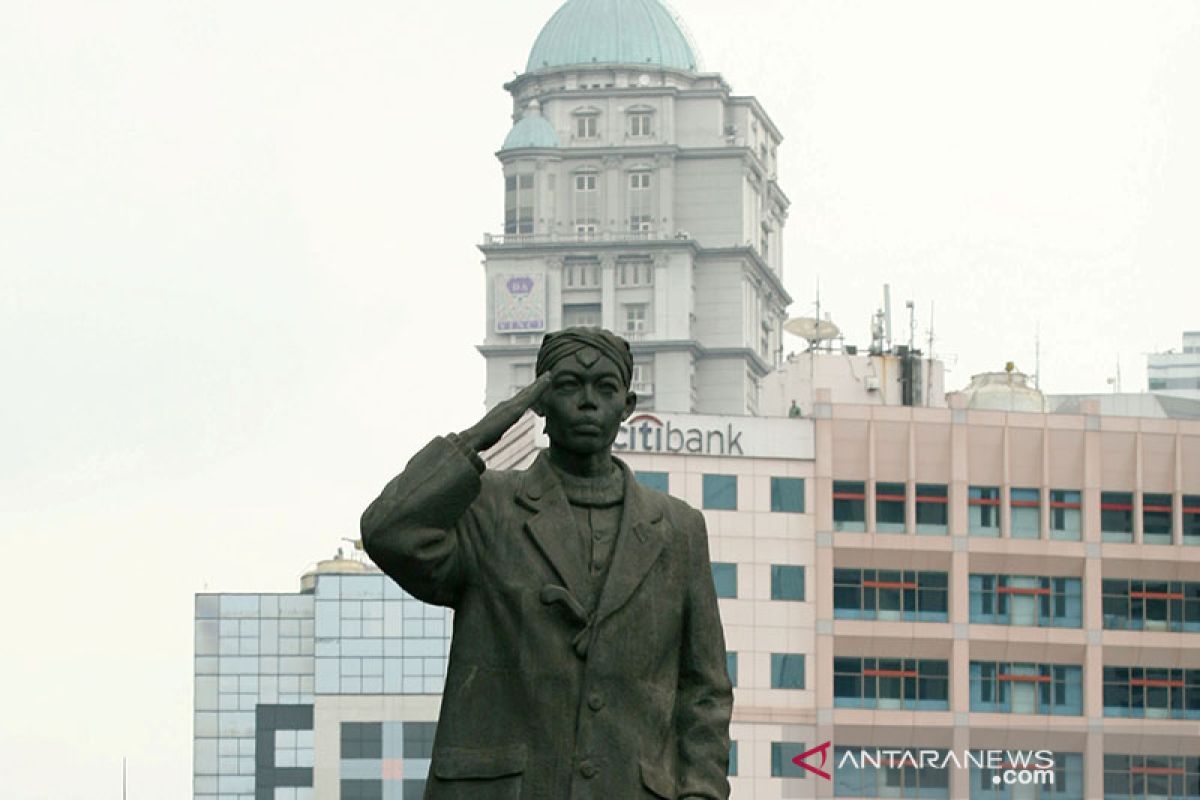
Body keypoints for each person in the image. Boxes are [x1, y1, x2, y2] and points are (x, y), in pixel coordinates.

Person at [361, 327, 732, 799]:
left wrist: (700, 793)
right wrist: (476, 438)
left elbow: (705, 689)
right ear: (538, 401)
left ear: (628, 406)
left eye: (605, 388)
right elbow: (388, 531)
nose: (587, 402)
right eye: (568, 386)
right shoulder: (489, 508)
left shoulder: (677, 530)